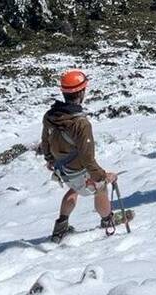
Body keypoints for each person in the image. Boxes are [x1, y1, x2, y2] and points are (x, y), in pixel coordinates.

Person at [40, 69, 119, 242]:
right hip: (79, 170)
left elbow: (45, 141)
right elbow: (87, 159)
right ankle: (108, 221)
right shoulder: (81, 124)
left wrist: (50, 160)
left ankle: (60, 227)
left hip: (62, 169)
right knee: (101, 189)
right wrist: (104, 176)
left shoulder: (51, 115)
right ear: (82, 92)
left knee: (74, 188)